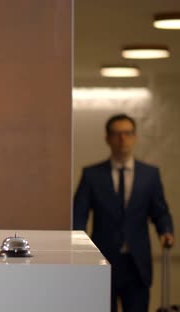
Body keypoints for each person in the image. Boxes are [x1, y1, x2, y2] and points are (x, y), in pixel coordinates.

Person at [73, 114, 174, 312]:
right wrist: (78, 246)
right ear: (108, 138)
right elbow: (79, 214)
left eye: (127, 133)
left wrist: (166, 231)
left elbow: (159, 211)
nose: (123, 139)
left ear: (135, 136)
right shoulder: (92, 175)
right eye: (117, 134)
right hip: (102, 260)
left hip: (137, 263)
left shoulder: (150, 175)